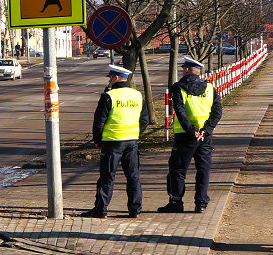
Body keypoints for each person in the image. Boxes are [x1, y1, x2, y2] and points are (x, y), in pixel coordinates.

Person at [81, 65, 149, 219]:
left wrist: (97, 140)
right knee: (133, 177)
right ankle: (135, 210)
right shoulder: (138, 95)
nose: (110, 80)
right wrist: (136, 134)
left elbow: (99, 122)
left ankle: (101, 210)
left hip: (112, 143)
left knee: (107, 177)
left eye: (110, 77)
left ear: (116, 78)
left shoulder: (109, 96)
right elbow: (145, 120)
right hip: (131, 142)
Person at [159, 56, 222, 213]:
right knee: (203, 170)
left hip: (185, 136)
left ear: (186, 70)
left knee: (178, 170)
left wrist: (191, 130)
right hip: (205, 137)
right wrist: (206, 130)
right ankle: (201, 204)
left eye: (183, 69)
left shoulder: (178, 87)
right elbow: (217, 111)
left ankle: (176, 203)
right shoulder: (210, 88)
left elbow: (179, 111)